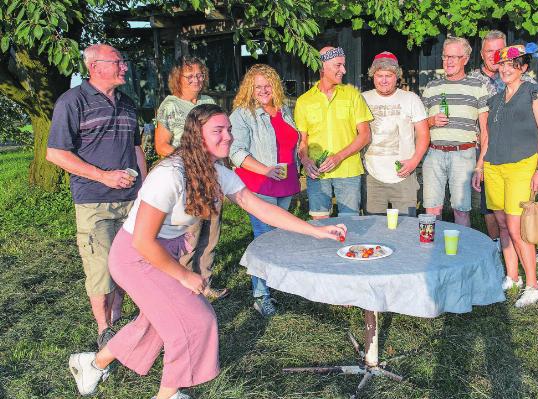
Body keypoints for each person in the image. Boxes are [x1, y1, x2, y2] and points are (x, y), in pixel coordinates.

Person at [67, 104, 347, 399]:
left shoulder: (215, 171)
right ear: (197, 137)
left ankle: (92, 364)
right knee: (195, 321)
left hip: (160, 252)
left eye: (229, 130)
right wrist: (185, 276)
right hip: (136, 256)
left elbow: (259, 207)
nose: (228, 136)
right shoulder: (170, 175)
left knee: (155, 322)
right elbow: (142, 242)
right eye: (218, 130)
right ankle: (168, 395)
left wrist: (316, 230)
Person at [46, 43, 147, 350]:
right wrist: (104, 176)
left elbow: (137, 148)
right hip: (94, 201)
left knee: (128, 262)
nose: (124, 67)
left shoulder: (128, 103)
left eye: (123, 61)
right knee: (100, 266)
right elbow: (55, 153)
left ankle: (115, 316)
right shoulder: (71, 102)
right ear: (95, 66)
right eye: (118, 61)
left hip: (132, 200)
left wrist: (144, 188)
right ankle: (104, 329)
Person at [474, 43, 538, 308]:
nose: (506, 69)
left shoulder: (536, 93)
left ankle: (533, 284)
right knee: (503, 226)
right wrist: (481, 166)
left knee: (518, 228)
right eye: (503, 65)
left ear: (524, 68)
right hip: (494, 166)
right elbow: (488, 138)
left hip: (522, 166)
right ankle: (513, 276)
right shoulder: (494, 100)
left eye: (513, 65)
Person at [229, 64, 301, 317]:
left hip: (286, 181)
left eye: (267, 84)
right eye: (257, 86)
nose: (263, 90)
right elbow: (235, 152)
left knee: (279, 236)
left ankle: (275, 283)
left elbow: (293, 144)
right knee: (263, 238)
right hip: (260, 185)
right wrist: (265, 170)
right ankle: (261, 295)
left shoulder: (284, 110)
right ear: (249, 88)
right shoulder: (242, 114)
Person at [154, 57, 227, 300]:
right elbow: (161, 145)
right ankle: (184, 284)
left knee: (211, 231)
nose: (196, 80)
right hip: (187, 178)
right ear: (178, 79)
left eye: (199, 75)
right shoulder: (170, 105)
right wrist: (189, 158)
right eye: (190, 76)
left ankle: (205, 281)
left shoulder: (209, 102)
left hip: (211, 176)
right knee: (190, 233)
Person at [421, 36, 493, 227]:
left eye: (454, 57)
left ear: (466, 59)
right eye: (445, 56)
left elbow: (486, 131)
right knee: (432, 210)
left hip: (464, 154)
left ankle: (463, 254)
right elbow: (419, 126)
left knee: (461, 211)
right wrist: (430, 120)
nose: (448, 61)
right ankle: (432, 254)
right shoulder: (431, 87)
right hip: (434, 153)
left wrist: (480, 165)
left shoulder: (478, 87)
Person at [295, 46, 373, 219]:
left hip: (348, 171)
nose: (343, 70)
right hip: (317, 172)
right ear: (322, 67)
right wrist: (305, 160)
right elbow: (302, 141)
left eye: (343, 65)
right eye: (338, 65)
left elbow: (365, 135)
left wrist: (338, 157)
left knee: (351, 223)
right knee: (320, 223)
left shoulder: (353, 95)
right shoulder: (304, 101)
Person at [361, 51, 429, 216]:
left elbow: (423, 134)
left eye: (389, 75)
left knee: (407, 228)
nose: (383, 80)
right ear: (373, 76)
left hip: (404, 175)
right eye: (379, 75)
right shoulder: (362, 99)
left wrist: (414, 162)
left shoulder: (411, 99)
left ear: (397, 76)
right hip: (372, 176)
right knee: (374, 227)